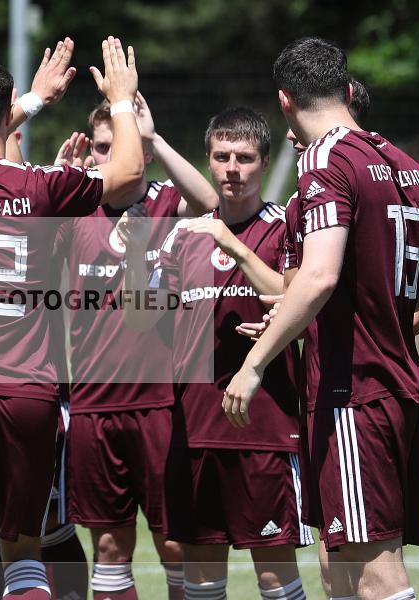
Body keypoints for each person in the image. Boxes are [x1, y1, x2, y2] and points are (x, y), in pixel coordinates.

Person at [0, 36, 144, 600]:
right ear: (6, 103)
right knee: (24, 550)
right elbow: (130, 172)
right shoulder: (41, 187)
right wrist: (122, 99)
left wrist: (31, 100)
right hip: (31, 394)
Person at [224, 37, 419, 600]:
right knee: (338, 562)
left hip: (355, 393)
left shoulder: (326, 158)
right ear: (348, 89)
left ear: (284, 101)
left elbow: (320, 277)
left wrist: (253, 366)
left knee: (375, 570)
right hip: (397, 386)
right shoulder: (408, 167)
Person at [119, 107, 309, 600]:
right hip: (194, 427)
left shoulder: (284, 227)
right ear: (208, 160)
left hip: (264, 429)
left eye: (244, 158)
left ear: (264, 162)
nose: (231, 169)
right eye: (221, 157)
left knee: (273, 575)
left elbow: (296, 300)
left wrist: (237, 247)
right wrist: (138, 254)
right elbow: (139, 317)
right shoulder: (185, 236)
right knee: (201, 577)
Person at [52, 92, 217, 600]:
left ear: (140, 153)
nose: (106, 157)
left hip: (161, 404)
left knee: (173, 546)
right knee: (109, 547)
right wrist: (55, 187)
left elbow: (211, 202)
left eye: (117, 146)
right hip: (94, 403)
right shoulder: (77, 206)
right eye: (101, 147)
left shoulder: (165, 204)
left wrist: (154, 138)